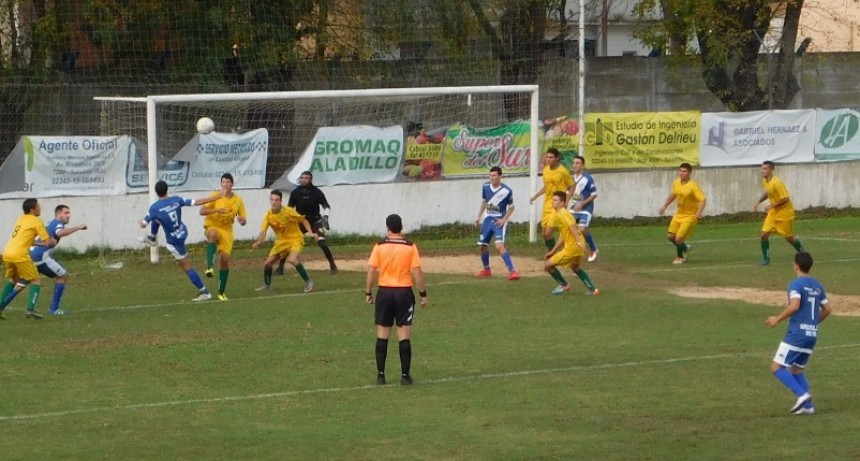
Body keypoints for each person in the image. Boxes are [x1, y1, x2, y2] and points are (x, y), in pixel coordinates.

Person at [765, 251, 831, 415]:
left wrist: (776, 319)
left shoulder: (795, 284)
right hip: (811, 335)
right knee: (797, 370)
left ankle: (802, 396)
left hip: (797, 334)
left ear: (796, 266)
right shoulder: (818, 285)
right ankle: (808, 407)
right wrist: (812, 324)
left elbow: (794, 306)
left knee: (776, 367)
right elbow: (827, 309)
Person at [365, 214, 427, 386]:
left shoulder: (379, 246)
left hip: (384, 292)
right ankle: (405, 376)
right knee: (404, 335)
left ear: (388, 228)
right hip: (404, 293)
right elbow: (417, 272)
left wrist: (368, 292)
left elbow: (371, 271)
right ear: (401, 226)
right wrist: (423, 294)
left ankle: (380, 376)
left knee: (382, 335)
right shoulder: (410, 246)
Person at [140, 180, 223, 301]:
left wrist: (140, 222)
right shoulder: (176, 200)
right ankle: (152, 237)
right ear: (167, 190)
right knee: (156, 219)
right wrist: (216, 197)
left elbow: (143, 225)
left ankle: (205, 292)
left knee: (187, 266)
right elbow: (197, 202)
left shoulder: (154, 208)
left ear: (156, 192)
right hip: (183, 232)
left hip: (174, 242)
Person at [251, 189, 317, 293]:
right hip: (281, 242)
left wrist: (311, 233)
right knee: (268, 263)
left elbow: (303, 220)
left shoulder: (288, 211)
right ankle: (267, 285)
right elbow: (263, 231)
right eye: (272, 199)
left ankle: (309, 282)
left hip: (295, 239)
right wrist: (259, 241)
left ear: (281, 201)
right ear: (269, 200)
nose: (274, 202)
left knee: (292, 259)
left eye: (276, 200)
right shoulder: (268, 215)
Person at [0, 198, 56, 319]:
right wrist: (52, 240)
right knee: (35, 280)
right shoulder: (36, 221)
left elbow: (25, 239)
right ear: (33, 209)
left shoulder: (20, 219)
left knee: (13, 280)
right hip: (20, 255)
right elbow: (48, 242)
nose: (40, 208)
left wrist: (39, 244)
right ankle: (30, 309)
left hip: (8, 252)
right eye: (38, 206)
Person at [28, 204, 87, 316]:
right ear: (58, 214)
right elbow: (59, 233)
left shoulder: (50, 224)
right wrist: (78, 227)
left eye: (69, 213)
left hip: (30, 255)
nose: (69, 216)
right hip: (40, 257)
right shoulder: (58, 224)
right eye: (66, 213)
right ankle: (54, 309)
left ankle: (2, 305)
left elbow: (42, 241)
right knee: (63, 275)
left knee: (20, 282)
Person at [276, 170, 338, 274]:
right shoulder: (295, 193)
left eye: (306, 178)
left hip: (315, 221)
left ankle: (332, 264)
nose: (304, 180)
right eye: (302, 178)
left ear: (310, 180)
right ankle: (280, 267)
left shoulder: (317, 192)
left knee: (322, 243)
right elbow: (289, 209)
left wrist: (326, 216)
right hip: (300, 221)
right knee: (289, 243)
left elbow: (326, 205)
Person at [200, 173, 247, 301]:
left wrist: (242, 220)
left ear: (232, 184)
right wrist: (216, 210)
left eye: (228, 182)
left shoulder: (238, 200)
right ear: (221, 184)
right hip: (212, 226)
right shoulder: (215, 196)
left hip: (227, 231)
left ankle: (221, 292)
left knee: (225, 260)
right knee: (213, 234)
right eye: (223, 182)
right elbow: (202, 211)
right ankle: (209, 267)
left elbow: (243, 220)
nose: (225, 184)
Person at [545, 191, 600, 296]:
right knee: (575, 267)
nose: (553, 202)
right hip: (576, 248)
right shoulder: (560, 214)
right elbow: (563, 235)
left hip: (572, 248)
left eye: (556, 200)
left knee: (548, 266)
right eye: (553, 200)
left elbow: (573, 228)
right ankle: (594, 290)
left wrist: (579, 242)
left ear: (562, 203)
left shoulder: (563, 214)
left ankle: (564, 285)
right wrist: (553, 251)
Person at [754, 161, 804, 266]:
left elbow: (785, 198)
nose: (763, 171)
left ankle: (803, 254)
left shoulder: (777, 182)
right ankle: (766, 260)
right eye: (762, 169)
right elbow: (768, 192)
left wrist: (771, 205)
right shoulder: (766, 181)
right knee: (764, 235)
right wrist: (759, 201)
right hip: (773, 213)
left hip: (784, 213)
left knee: (789, 238)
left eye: (765, 169)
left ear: (771, 169)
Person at [474, 166, 520, 280]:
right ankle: (486, 269)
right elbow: (484, 201)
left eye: (494, 175)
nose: (492, 178)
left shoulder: (507, 191)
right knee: (483, 246)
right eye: (490, 175)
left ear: (500, 176)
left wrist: (504, 219)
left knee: (499, 246)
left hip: (499, 220)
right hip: (487, 219)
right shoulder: (485, 186)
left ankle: (513, 271)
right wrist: (478, 216)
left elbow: (512, 207)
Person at [659, 163, 706, 264]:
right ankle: (685, 248)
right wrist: (664, 206)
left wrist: (699, 212)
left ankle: (680, 257)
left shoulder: (693, 185)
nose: (681, 173)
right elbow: (673, 194)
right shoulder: (676, 182)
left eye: (684, 171)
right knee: (670, 236)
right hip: (678, 215)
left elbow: (702, 199)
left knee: (679, 238)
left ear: (689, 173)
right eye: (680, 171)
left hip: (690, 216)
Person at [529, 148, 574, 250]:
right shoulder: (545, 170)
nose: (548, 159)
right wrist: (535, 196)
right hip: (547, 204)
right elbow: (546, 187)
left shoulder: (563, 171)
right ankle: (553, 253)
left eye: (551, 157)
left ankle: (553, 255)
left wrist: (566, 200)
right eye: (547, 157)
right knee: (544, 233)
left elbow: (572, 186)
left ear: (557, 158)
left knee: (549, 231)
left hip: (557, 204)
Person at [570, 155, 599, 262]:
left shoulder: (588, 178)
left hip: (586, 208)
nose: (575, 165)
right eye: (573, 163)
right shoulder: (571, 178)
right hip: (574, 208)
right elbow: (569, 193)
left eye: (577, 163)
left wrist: (582, 203)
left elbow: (594, 194)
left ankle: (593, 248)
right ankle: (572, 250)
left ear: (582, 165)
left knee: (582, 229)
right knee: (568, 228)